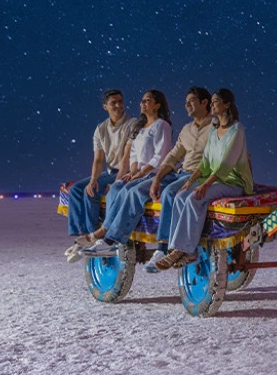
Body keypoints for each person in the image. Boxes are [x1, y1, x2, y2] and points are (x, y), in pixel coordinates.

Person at [150, 88, 254, 271]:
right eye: (212, 101)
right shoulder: (214, 132)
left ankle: (185, 250)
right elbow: (205, 162)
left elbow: (226, 164)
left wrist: (204, 185)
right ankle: (177, 248)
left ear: (227, 105)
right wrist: (190, 182)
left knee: (194, 198)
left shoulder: (236, 130)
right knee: (181, 196)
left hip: (232, 182)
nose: (212, 105)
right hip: (214, 180)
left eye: (216, 102)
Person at [81, 90, 172, 256]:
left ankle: (111, 239)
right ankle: (105, 229)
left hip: (156, 173)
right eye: (142, 100)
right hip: (140, 173)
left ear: (157, 105)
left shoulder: (161, 126)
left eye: (147, 100)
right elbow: (134, 154)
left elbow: (161, 155)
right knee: (116, 187)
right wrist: (134, 171)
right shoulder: (140, 128)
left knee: (133, 192)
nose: (142, 103)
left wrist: (141, 172)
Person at [64, 89, 138, 262]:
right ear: (105, 106)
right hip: (111, 171)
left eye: (120, 101)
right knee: (76, 189)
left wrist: (116, 181)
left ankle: (94, 237)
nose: (118, 105)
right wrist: (93, 180)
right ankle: (81, 236)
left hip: (126, 172)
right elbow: (98, 159)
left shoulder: (133, 124)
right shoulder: (101, 129)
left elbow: (127, 158)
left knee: (91, 192)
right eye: (113, 103)